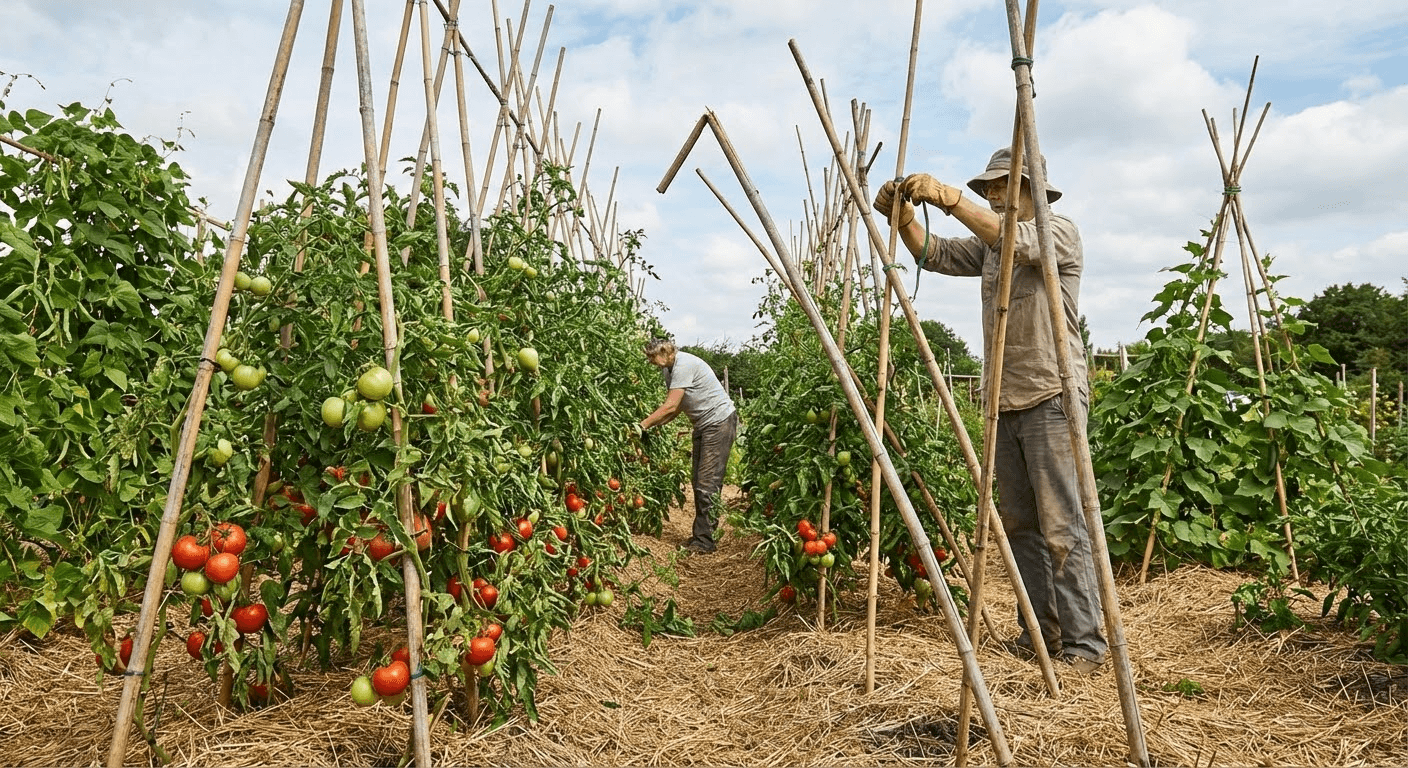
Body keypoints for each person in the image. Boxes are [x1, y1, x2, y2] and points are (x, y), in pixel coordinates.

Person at [873, 147, 1106, 674]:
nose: (993, 196)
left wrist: (951, 197)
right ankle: (1041, 633)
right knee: (1022, 525)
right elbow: (931, 253)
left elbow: (1013, 240)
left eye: (1001, 187)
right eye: (989, 189)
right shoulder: (990, 248)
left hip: (1052, 394)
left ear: (1030, 189)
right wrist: (903, 213)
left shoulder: (1056, 232)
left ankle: (1086, 644)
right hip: (1004, 400)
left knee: (1063, 525)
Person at [638, 338, 739, 554]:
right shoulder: (669, 370)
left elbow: (671, 405)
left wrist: (642, 425)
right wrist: (655, 426)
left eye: (652, 356)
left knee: (707, 481)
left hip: (719, 422)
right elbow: (676, 409)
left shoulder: (683, 364)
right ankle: (701, 535)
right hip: (704, 425)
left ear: (665, 351)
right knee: (699, 480)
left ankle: (705, 541)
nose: (650, 361)